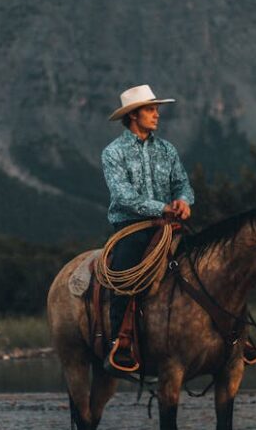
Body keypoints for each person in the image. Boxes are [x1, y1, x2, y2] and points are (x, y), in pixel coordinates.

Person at [101, 84, 194, 372]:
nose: (157, 115)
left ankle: (224, 337)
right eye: (150, 110)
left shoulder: (167, 149)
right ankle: (121, 342)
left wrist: (183, 201)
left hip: (170, 225)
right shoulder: (113, 153)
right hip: (132, 226)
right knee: (124, 276)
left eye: (156, 110)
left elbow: (182, 183)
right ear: (133, 116)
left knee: (210, 263)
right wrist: (162, 208)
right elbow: (123, 197)